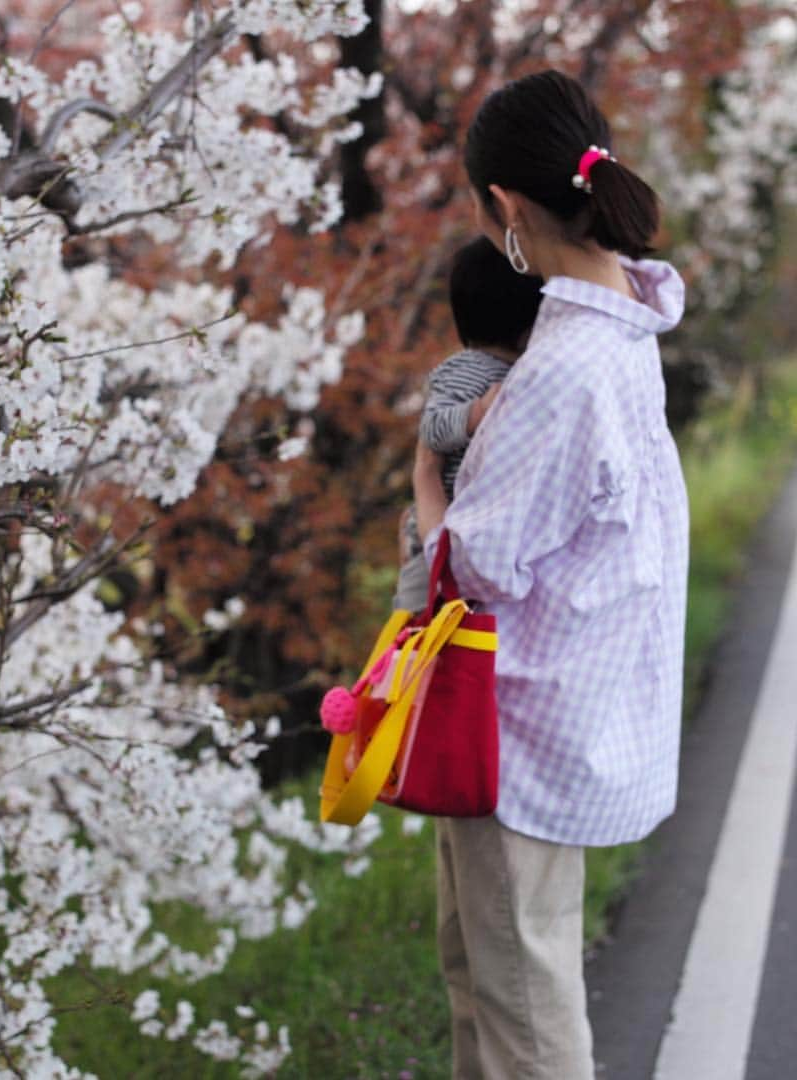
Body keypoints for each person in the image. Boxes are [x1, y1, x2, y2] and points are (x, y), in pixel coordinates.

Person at [412, 69, 687, 1080]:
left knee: (524, 1008)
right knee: (492, 981)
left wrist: (426, 484)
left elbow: (478, 559)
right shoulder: (623, 326)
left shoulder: (563, 366)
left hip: (518, 726)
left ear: (508, 208)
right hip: (565, 701)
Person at [395, 236, 542, 612]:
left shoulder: (524, 376)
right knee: (418, 614)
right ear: (530, 327)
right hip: (436, 525)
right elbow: (433, 430)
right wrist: (475, 413)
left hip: (468, 530)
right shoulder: (465, 371)